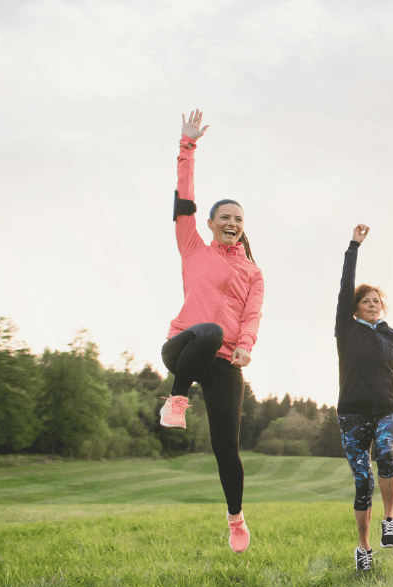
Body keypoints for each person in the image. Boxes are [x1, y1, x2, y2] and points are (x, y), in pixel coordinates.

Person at [159, 110, 264, 554]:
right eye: (225, 216)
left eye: (239, 218)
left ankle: (235, 519)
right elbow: (185, 197)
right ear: (210, 222)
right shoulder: (192, 246)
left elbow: (253, 315)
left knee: (227, 448)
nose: (232, 222)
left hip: (224, 361)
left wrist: (245, 348)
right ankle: (176, 399)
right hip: (185, 345)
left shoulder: (253, 271)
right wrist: (188, 146)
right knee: (207, 330)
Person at [336, 223, 393, 573]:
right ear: (355, 308)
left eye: (376, 301)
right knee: (362, 480)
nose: (372, 304)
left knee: (386, 452)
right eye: (365, 301)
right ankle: (363, 547)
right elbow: (345, 286)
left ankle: (390, 518)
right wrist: (354, 247)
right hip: (352, 414)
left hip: (388, 410)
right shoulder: (346, 330)